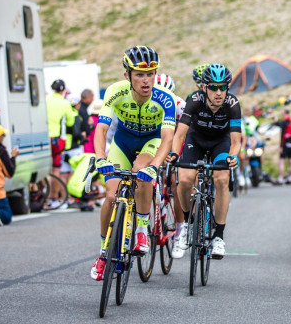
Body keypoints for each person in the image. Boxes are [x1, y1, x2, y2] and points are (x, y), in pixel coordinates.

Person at [91, 46, 176, 280]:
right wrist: (100, 156)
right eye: (139, 74)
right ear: (127, 75)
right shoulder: (115, 92)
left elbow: (167, 138)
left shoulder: (164, 98)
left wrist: (155, 165)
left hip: (152, 142)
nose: (146, 80)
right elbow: (101, 128)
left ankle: (140, 229)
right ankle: (102, 252)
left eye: (150, 73)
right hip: (123, 142)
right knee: (110, 196)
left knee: (142, 170)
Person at [168, 63, 241, 260]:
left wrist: (233, 156)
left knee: (222, 179)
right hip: (196, 140)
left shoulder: (232, 104)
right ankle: (187, 225)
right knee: (184, 180)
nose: (219, 92)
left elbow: (235, 141)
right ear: (204, 87)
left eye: (223, 87)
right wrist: (175, 153)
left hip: (220, 142)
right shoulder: (194, 100)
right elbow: (180, 134)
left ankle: (218, 236)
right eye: (213, 87)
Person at [46, 79, 76, 208]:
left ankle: (45, 198)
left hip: (44, 138)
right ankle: (53, 198)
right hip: (57, 139)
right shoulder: (64, 103)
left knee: (46, 170)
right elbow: (70, 122)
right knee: (56, 170)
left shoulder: (46, 100)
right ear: (63, 90)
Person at [276, 108, 291, 184]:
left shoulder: (285, 122)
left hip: (286, 143)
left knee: (282, 160)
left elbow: (283, 135)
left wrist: (281, 146)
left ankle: (281, 177)